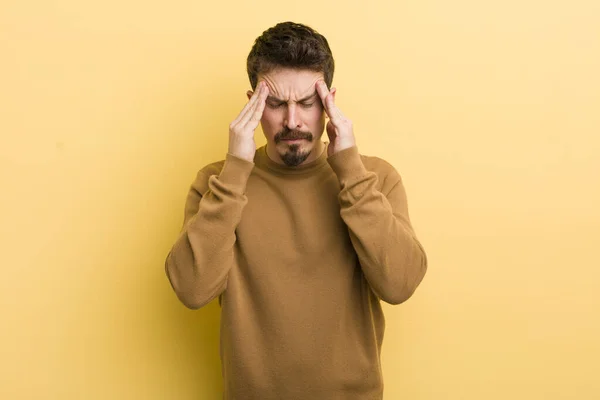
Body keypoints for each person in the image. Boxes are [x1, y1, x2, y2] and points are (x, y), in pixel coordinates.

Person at [164, 21, 428, 400]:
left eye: (307, 103)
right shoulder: (217, 183)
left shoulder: (374, 178)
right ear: (252, 102)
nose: (292, 121)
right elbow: (192, 289)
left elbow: (400, 283)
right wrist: (236, 171)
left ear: (329, 102)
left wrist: (350, 170)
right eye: (275, 104)